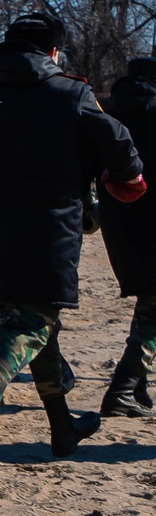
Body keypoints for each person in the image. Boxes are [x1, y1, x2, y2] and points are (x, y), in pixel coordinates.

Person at [0, 12, 144, 465]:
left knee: (34, 317)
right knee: (37, 319)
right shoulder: (71, 92)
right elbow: (117, 137)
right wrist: (127, 176)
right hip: (51, 225)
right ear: (53, 51)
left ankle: (62, 426)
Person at [97, 57, 156, 419]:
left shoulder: (110, 115)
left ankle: (138, 389)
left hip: (121, 220)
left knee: (149, 302)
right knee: (153, 312)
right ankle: (122, 389)